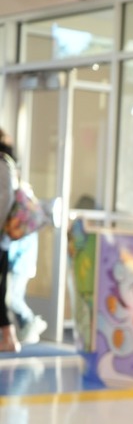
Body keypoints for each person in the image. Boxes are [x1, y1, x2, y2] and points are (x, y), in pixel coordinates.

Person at [1, 128, 21, 353]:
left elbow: (4, 201)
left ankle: (10, 337)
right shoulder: (7, 164)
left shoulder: (3, 164)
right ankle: (9, 337)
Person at [7, 232, 47, 345]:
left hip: (19, 267)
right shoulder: (30, 228)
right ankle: (26, 329)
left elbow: (13, 249)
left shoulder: (25, 227)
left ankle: (30, 321)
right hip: (22, 266)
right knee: (17, 296)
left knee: (12, 298)